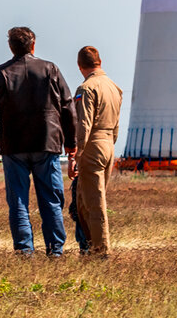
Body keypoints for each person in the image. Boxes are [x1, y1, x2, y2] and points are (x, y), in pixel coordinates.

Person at [0, 26, 76, 257]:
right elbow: (68, 107)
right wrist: (71, 144)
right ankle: (55, 251)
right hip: (47, 142)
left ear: (10, 47)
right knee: (51, 200)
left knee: (18, 201)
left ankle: (24, 251)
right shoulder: (50, 69)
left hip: (13, 146)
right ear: (33, 45)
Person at [68, 46, 122, 258]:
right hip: (109, 142)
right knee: (84, 201)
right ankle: (92, 246)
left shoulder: (86, 88)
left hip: (93, 144)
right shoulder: (114, 87)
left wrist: (76, 155)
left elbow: (84, 125)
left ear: (80, 66)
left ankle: (100, 250)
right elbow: (116, 124)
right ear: (100, 62)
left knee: (94, 203)